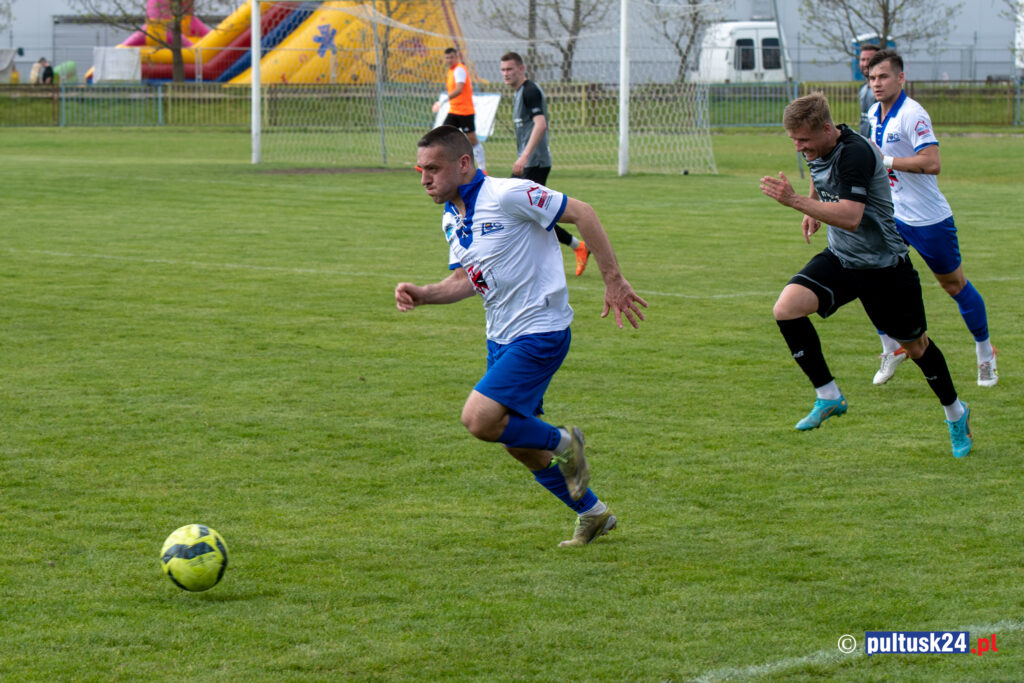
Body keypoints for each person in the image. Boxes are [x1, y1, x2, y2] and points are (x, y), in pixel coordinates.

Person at [395, 126, 648, 545]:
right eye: (421, 170)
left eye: (433, 168)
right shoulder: (452, 218)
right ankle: (593, 513)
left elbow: (583, 212)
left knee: (478, 419)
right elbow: (466, 279)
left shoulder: (508, 194)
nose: (425, 179)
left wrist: (613, 279)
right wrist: (425, 294)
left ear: (463, 163)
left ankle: (566, 442)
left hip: (541, 329)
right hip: (500, 337)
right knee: (516, 443)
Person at [759, 92, 972, 458]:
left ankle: (956, 412)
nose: (798, 147)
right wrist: (812, 206)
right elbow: (821, 177)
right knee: (786, 309)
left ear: (827, 129)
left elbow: (851, 217)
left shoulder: (855, 153)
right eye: (793, 140)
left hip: (884, 267)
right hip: (842, 259)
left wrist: (795, 201)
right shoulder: (818, 148)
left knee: (917, 348)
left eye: (804, 140)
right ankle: (829, 396)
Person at [866, 49, 998, 387]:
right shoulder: (873, 113)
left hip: (928, 220)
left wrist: (886, 161)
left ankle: (985, 353)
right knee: (868, 276)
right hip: (892, 215)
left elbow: (932, 162)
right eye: (872, 77)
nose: (876, 83)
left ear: (901, 77)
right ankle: (892, 348)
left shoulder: (913, 114)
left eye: (883, 76)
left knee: (953, 285)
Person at [499, 51, 590, 276]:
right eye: (503, 70)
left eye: (510, 69)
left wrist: (524, 156)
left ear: (521, 69)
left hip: (535, 163)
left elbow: (540, 124)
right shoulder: (519, 92)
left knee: (516, 207)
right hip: (530, 162)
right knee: (529, 212)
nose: (506, 73)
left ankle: (527, 261)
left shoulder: (530, 91)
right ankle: (577, 246)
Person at [432, 47, 486, 172]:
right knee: (443, 136)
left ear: (456, 57)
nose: (449, 60)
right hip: (454, 111)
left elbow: (459, 89)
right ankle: (438, 166)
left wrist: (442, 101)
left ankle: (483, 169)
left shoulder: (459, 70)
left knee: (472, 140)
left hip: (465, 111)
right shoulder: (451, 71)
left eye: (451, 57)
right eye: (447, 57)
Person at [857, 43, 880, 138]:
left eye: (869, 59)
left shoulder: (882, 91)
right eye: (863, 59)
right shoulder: (863, 89)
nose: (866, 64)